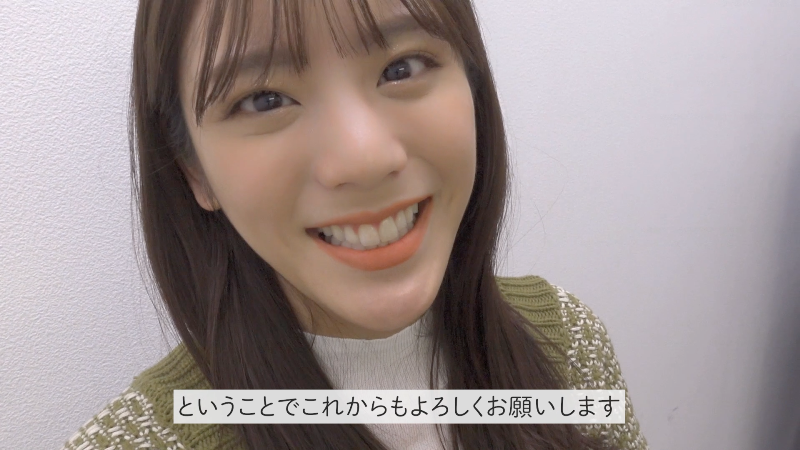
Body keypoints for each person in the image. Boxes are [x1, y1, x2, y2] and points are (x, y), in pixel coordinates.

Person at [62, 0, 648, 448]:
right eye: (264, 100)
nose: (363, 158)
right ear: (193, 169)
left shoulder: (568, 343)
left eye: (402, 67)